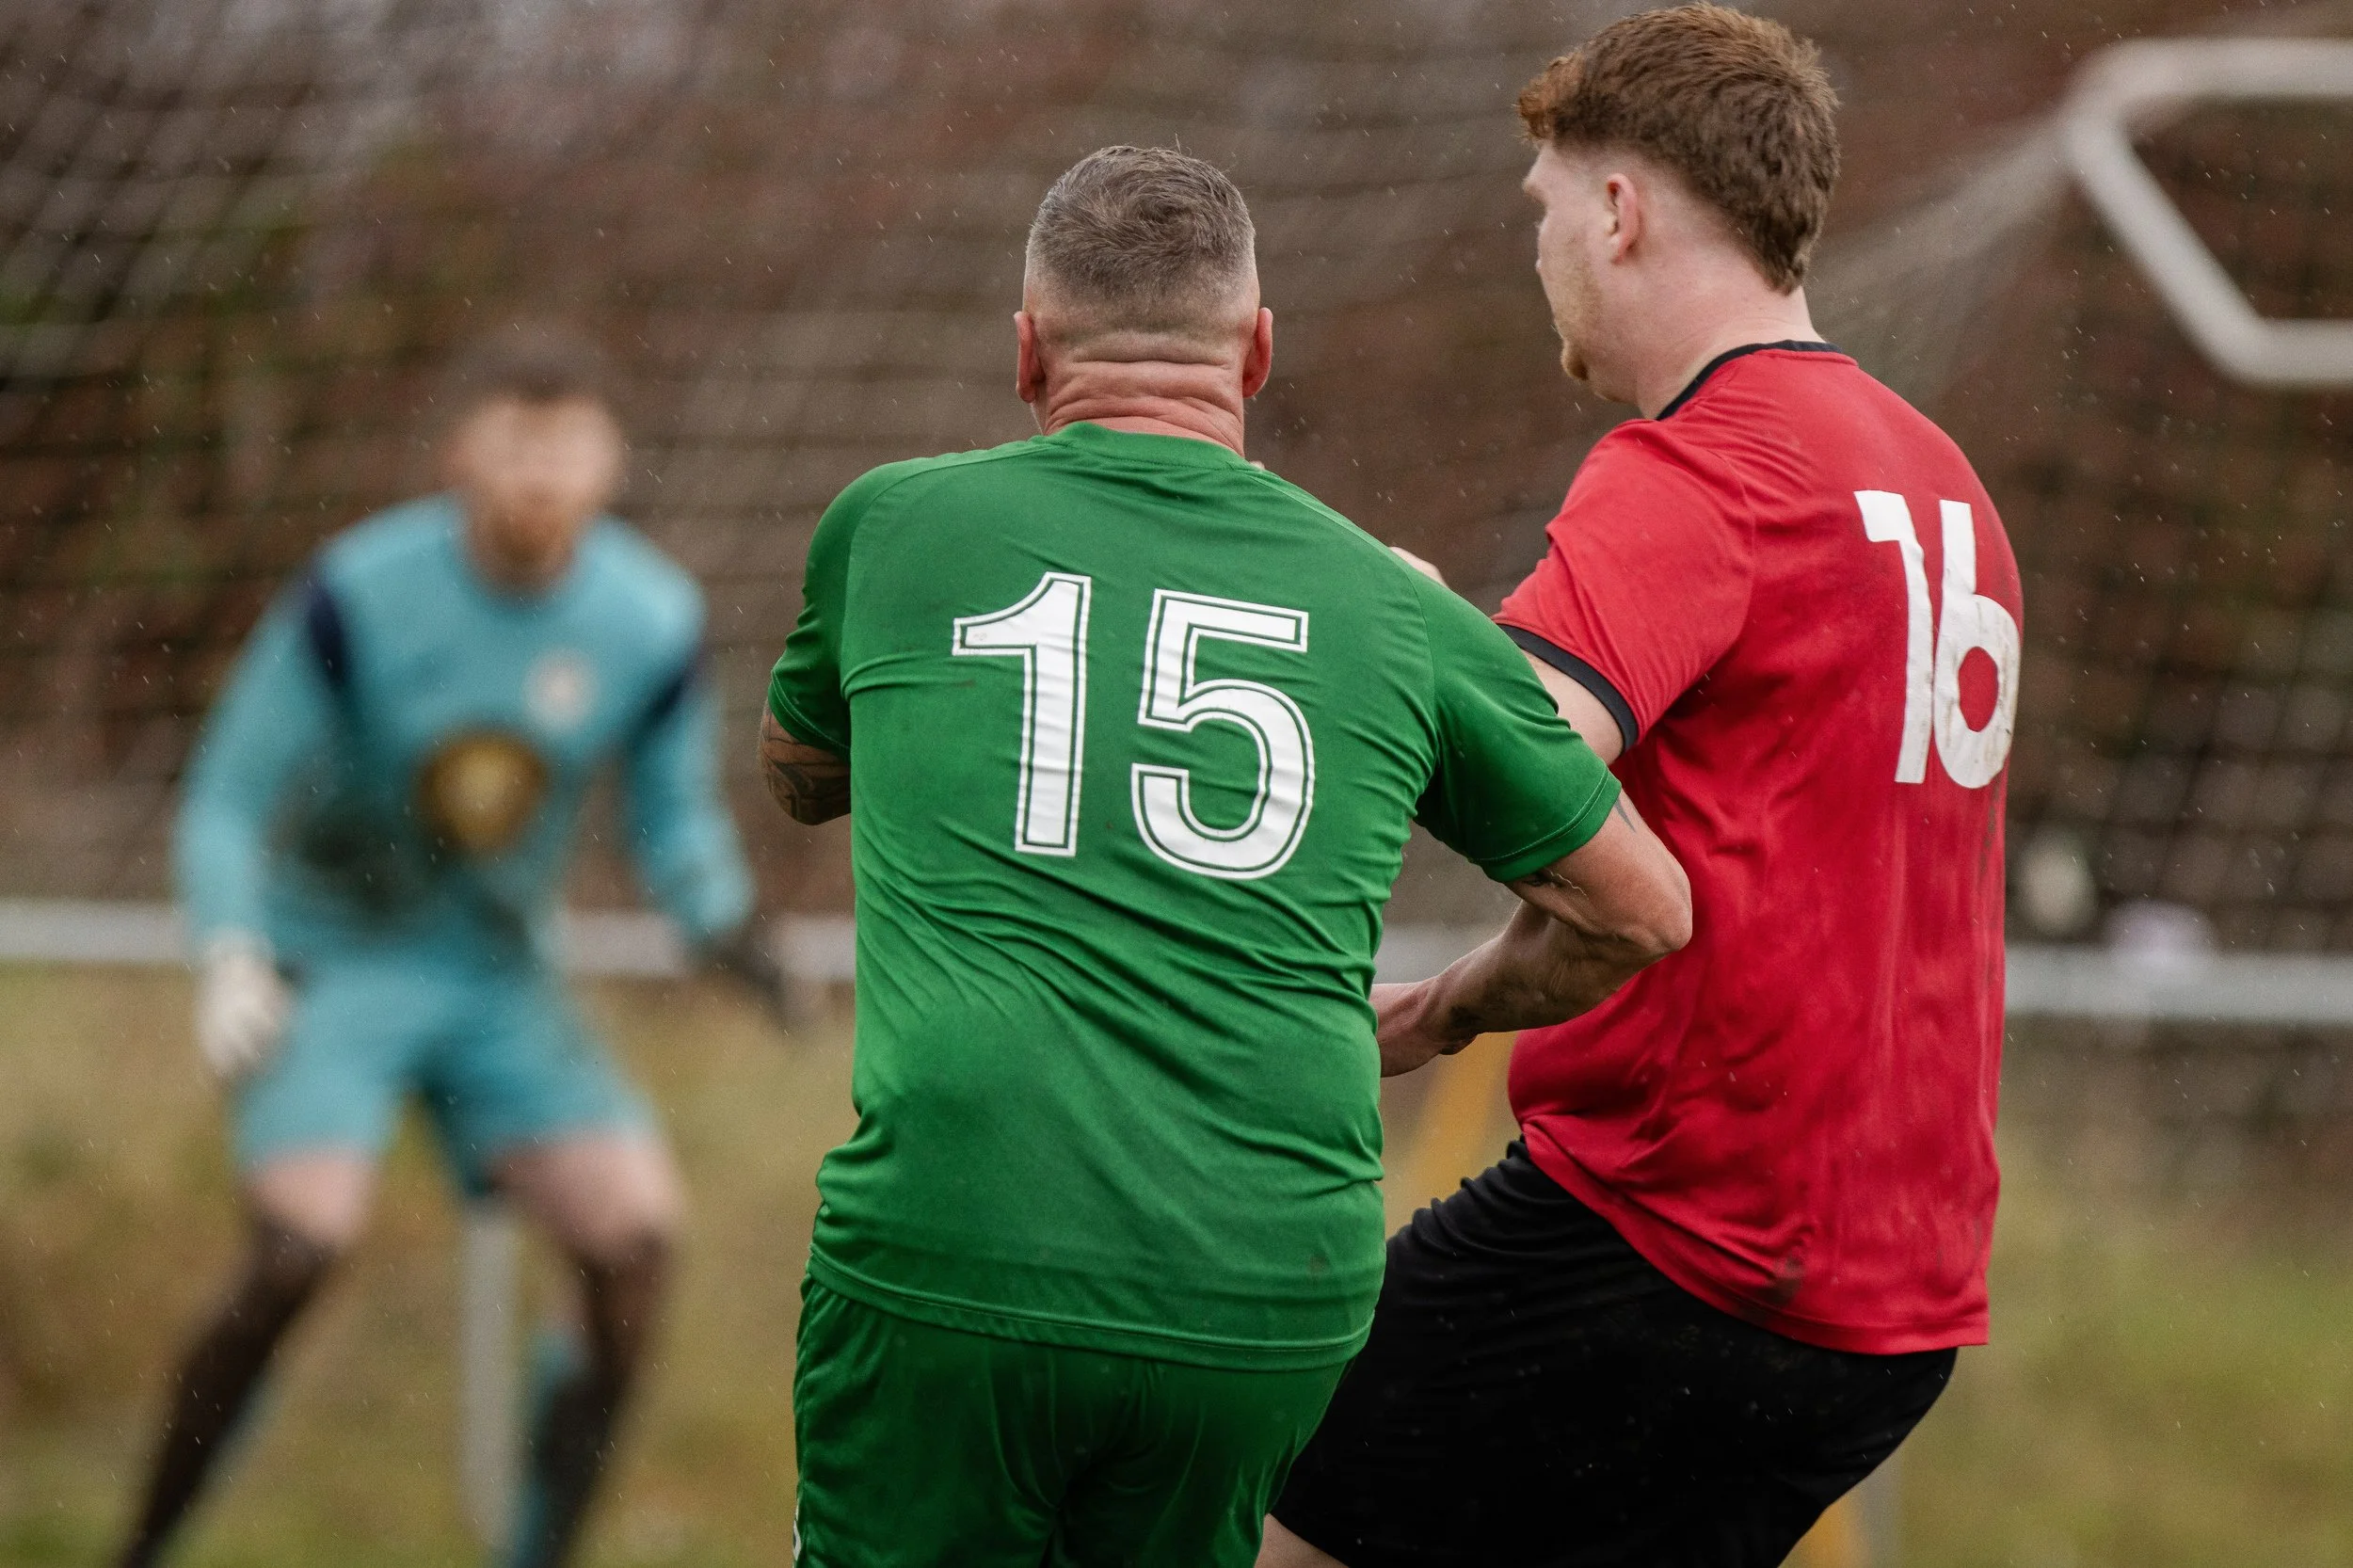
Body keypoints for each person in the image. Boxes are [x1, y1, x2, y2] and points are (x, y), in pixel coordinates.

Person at [756, 144, 1692, 1568]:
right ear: (1257, 355)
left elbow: (800, 775)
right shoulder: (1394, 605)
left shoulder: (890, 527)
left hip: (961, 1248)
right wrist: (1440, 1014)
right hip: (1263, 1282)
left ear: (1026, 357)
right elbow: (1641, 907)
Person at [1262, 8, 2022, 1567]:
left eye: (1544, 209)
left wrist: (1356, 607)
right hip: (1893, 1304)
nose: (1538, 251)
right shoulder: (1944, 479)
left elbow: (1509, 770)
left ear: (1620, 210)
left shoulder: (1701, 464)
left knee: (1250, 1498)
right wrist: (1458, 1001)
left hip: (1674, 1245)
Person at [118, 330, 787, 1568]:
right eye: (515, 442)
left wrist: (724, 924)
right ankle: (143, 1545)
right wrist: (228, 951)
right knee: (297, 1245)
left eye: (566, 445)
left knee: (633, 1241)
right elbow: (226, 793)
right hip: (330, 952)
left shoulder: (648, 620)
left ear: (611, 462)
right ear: (459, 454)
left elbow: (672, 815)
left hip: (494, 972)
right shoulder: (356, 594)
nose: (539, 474)